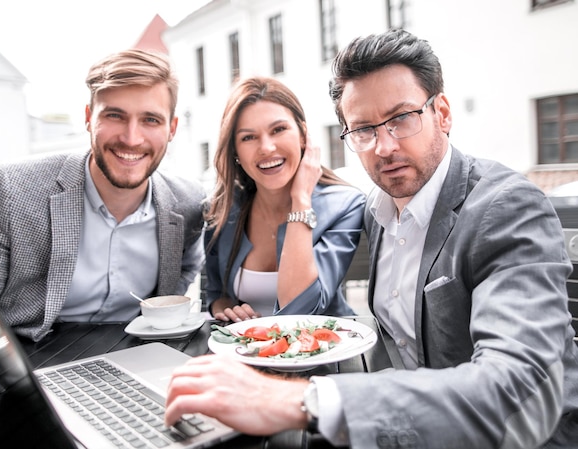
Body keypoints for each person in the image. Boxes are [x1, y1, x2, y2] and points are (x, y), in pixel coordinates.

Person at [163, 29, 578, 448]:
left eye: (401, 118)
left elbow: (514, 387)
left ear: (444, 113)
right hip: (404, 423)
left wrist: (304, 400)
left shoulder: (506, 207)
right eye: (363, 129)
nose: (383, 147)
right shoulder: (379, 208)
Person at [0, 49, 205, 360]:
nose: (131, 137)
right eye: (115, 115)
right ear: (89, 118)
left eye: (150, 120)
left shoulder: (189, 203)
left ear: (172, 128)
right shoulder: (13, 188)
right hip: (29, 363)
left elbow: (187, 266)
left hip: (138, 359)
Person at [204, 76, 364, 322]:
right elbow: (216, 292)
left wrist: (301, 199)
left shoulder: (345, 205)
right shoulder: (224, 208)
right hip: (246, 353)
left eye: (278, 130)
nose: (266, 147)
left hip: (325, 352)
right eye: (248, 137)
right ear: (235, 151)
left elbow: (300, 309)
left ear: (303, 135)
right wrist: (224, 308)